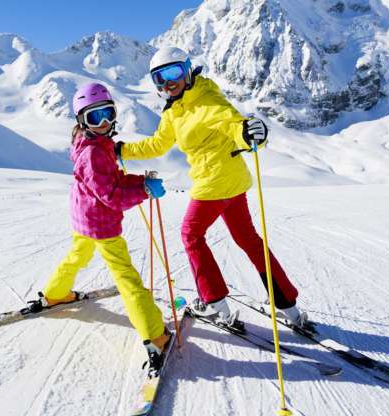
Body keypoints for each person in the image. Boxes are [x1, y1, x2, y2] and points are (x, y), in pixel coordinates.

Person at [116, 47, 311, 333]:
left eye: (174, 73)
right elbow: (157, 144)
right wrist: (123, 150)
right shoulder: (175, 110)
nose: (168, 83)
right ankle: (288, 307)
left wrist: (248, 134)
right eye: (160, 78)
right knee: (248, 239)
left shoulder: (206, 100)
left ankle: (214, 304)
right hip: (232, 184)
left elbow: (231, 123)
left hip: (214, 184)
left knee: (191, 234)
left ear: (187, 70)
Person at [26, 82, 172, 373]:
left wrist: (139, 181)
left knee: (76, 256)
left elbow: (111, 181)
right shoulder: (93, 153)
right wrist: (143, 189)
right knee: (127, 279)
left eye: (108, 114)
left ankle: (56, 294)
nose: (104, 123)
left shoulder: (91, 144)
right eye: (95, 117)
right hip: (101, 224)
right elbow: (112, 195)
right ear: (82, 121)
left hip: (83, 218)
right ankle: (155, 334)